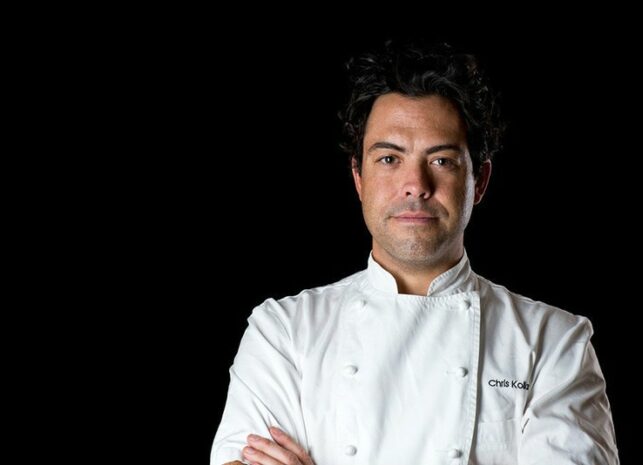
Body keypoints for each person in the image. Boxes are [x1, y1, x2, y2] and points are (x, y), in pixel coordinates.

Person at [211, 40, 619, 465]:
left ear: (479, 181)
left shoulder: (554, 343)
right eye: (389, 159)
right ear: (359, 178)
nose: (415, 185)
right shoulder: (283, 332)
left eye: (441, 161)